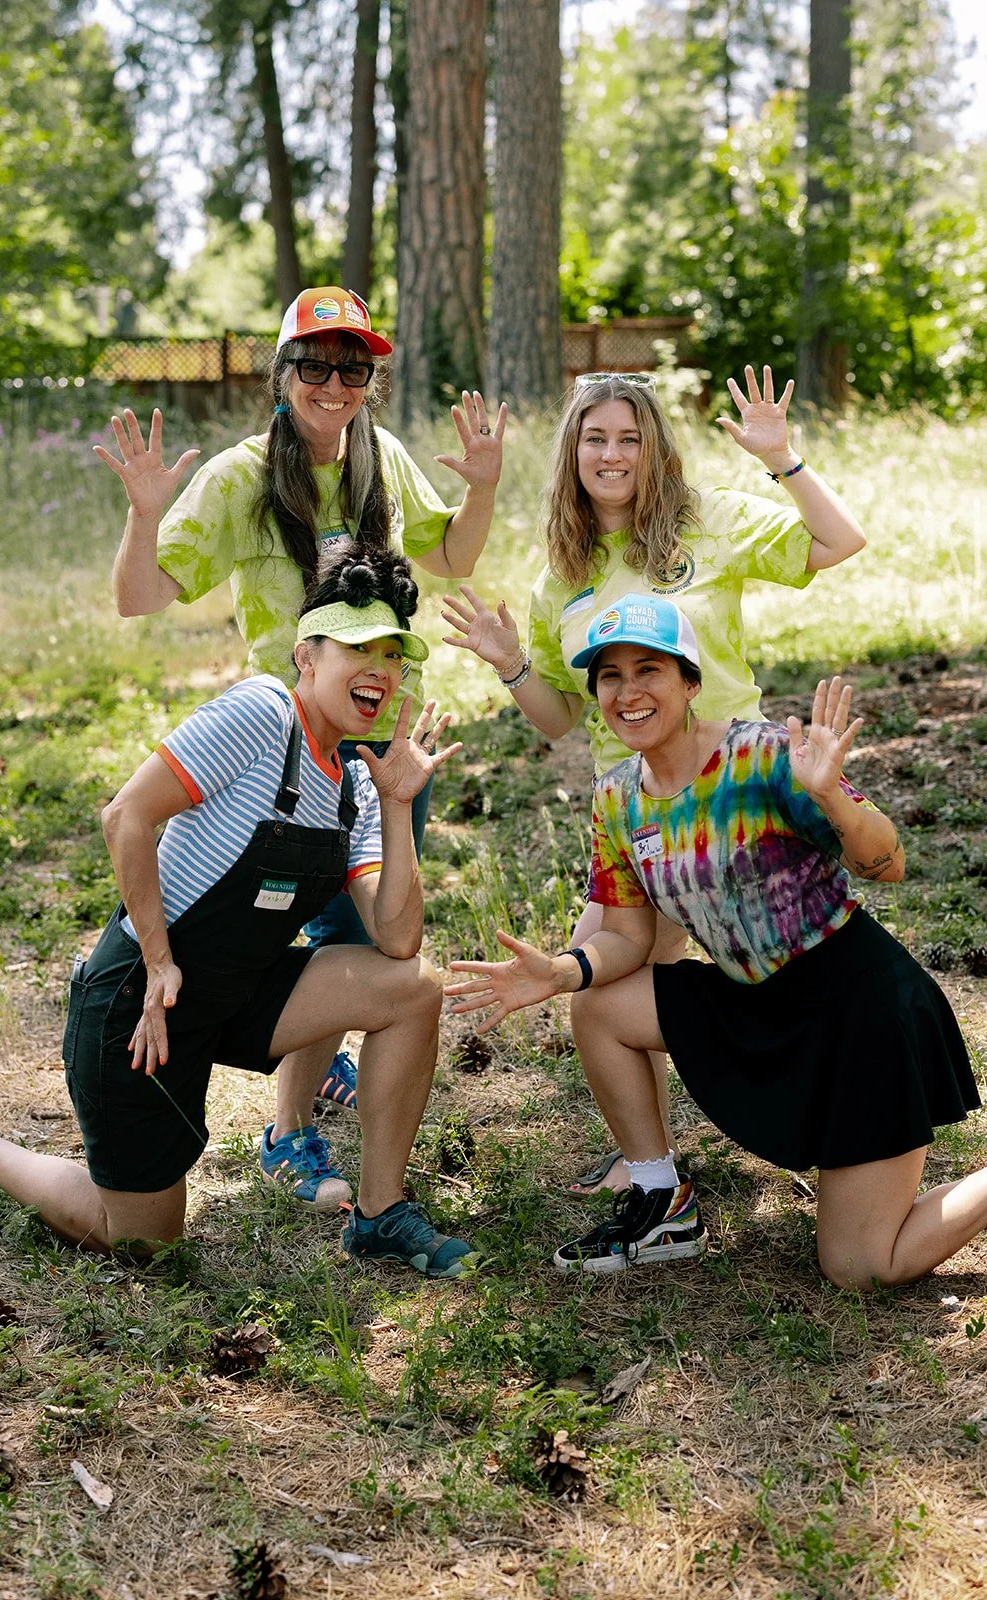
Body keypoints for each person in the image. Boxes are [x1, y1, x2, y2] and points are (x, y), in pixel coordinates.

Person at [0, 552, 475, 1279]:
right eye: (358, 647)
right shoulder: (262, 713)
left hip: (237, 992)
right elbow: (126, 816)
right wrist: (158, 962)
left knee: (412, 987)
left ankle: (379, 1214)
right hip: (142, 1003)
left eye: (393, 654)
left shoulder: (357, 786)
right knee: (142, 1246)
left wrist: (396, 805)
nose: (379, 669)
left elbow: (396, 938)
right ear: (306, 655)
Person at [95, 285, 507, 1195]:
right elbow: (138, 597)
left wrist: (480, 487)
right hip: (287, 754)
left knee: (369, 930)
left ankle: (318, 1071)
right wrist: (144, 510)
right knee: (312, 929)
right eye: (314, 365)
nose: (333, 384)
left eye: (352, 368)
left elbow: (454, 557)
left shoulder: (382, 460)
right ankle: (288, 1130)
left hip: (388, 743)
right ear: (283, 375)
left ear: (370, 382)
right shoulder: (240, 476)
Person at [446, 594, 983, 1290]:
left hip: (857, 1010)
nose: (628, 692)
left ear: (690, 682)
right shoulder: (616, 799)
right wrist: (561, 971)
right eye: (610, 676)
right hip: (753, 1000)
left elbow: (889, 863)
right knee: (600, 1005)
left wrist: (833, 799)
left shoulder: (762, 756)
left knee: (859, 1268)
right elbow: (629, 937)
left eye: (649, 670)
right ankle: (660, 1201)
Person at [441, 363, 866, 1193]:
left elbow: (838, 542)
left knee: (782, 972)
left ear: (654, 449)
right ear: (572, 454)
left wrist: (780, 459)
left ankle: (833, 1122)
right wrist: (510, 664)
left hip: (738, 793)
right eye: (595, 439)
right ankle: (653, 1172)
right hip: (638, 817)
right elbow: (560, 719)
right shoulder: (560, 578)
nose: (612, 455)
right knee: (602, 983)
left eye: (629, 438)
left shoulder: (705, 521)